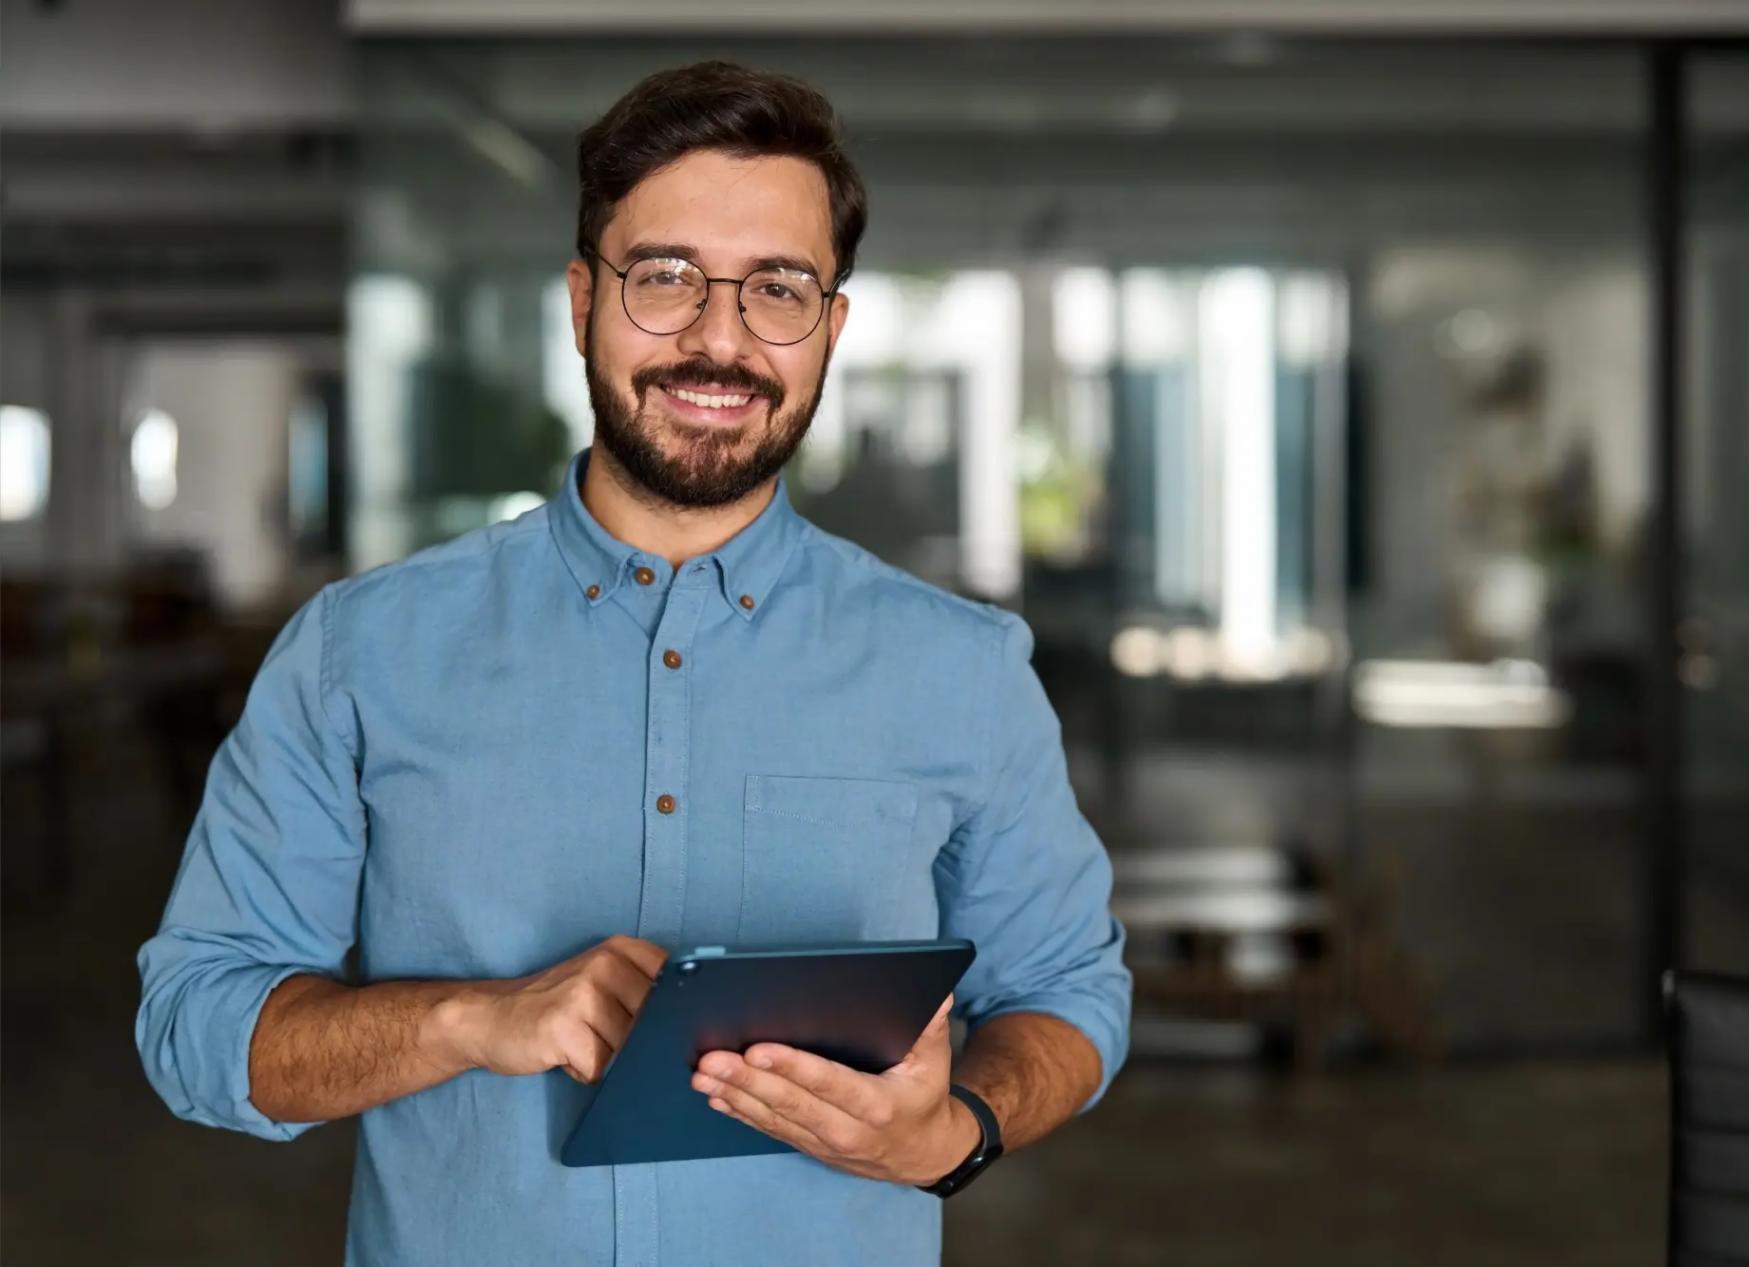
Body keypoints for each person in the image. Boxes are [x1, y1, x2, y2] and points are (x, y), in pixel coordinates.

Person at [134, 60, 1130, 1267]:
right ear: (579, 301)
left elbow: (1070, 993)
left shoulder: (961, 671)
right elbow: (196, 1024)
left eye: (778, 287)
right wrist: (469, 1017)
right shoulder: (361, 655)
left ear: (832, 326)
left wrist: (954, 1132)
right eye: (664, 279)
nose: (720, 340)